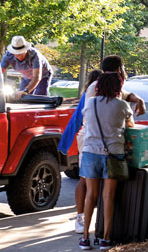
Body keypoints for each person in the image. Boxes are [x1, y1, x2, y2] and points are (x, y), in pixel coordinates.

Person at [79, 72, 134, 250]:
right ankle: (105, 239)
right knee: (108, 196)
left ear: (98, 86)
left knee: (90, 196)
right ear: (118, 88)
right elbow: (131, 125)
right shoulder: (122, 105)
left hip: (90, 153)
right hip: (113, 154)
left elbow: (86, 120)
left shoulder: (91, 102)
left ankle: (85, 238)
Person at [60, 69, 102, 235]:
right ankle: (80, 217)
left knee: (86, 180)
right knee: (86, 179)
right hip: (89, 139)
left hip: (89, 139)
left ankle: (81, 217)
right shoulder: (91, 97)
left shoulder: (89, 94)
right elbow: (77, 119)